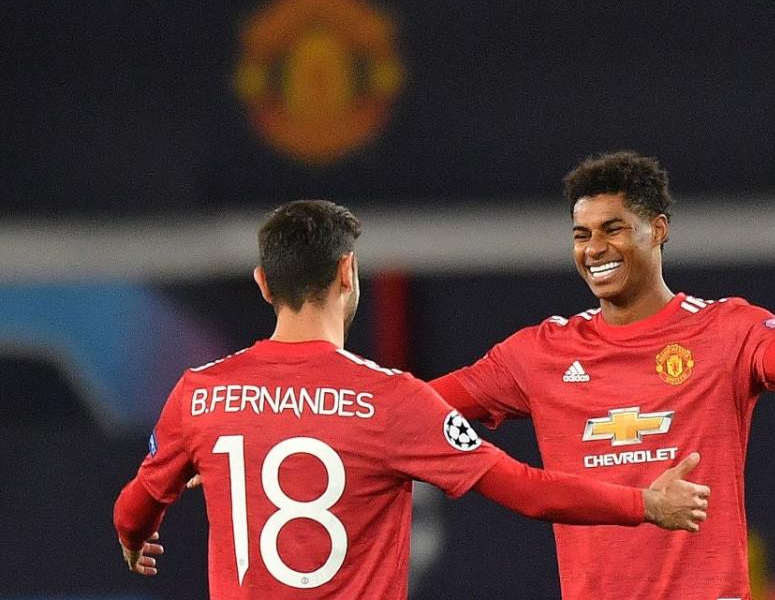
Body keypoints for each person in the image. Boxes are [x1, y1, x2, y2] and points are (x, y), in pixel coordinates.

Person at [112, 199, 712, 599]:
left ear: (264, 283)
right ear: (348, 273)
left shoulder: (201, 395)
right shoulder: (393, 399)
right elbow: (527, 490)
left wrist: (137, 540)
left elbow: (132, 509)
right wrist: (644, 504)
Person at [429, 151, 775, 600]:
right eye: (581, 234)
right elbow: (421, 404)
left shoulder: (722, 329)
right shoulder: (540, 353)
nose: (594, 249)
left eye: (613, 229)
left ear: (657, 230)